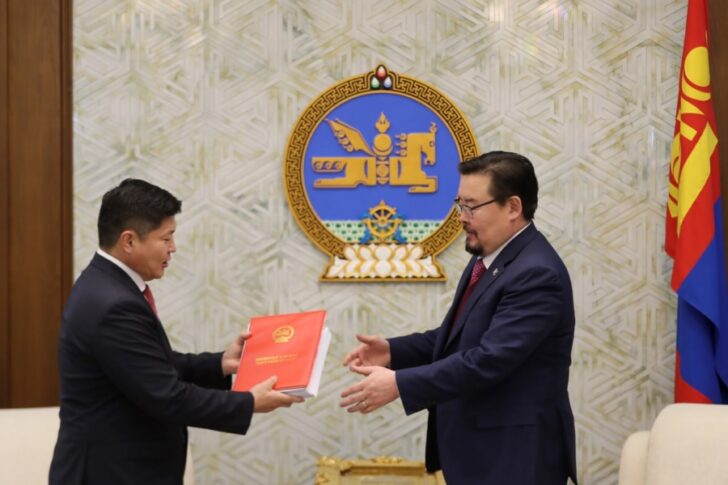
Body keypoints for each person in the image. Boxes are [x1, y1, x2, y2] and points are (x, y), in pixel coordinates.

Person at [340, 151, 578, 484]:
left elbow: (488, 360)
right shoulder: (490, 257)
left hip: (516, 458)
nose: (462, 217)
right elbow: (462, 337)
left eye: (472, 206)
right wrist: (394, 351)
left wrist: (399, 384)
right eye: (459, 204)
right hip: (482, 453)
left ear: (513, 207)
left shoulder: (536, 273)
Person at [49, 179, 302, 484]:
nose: (173, 248)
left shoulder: (105, 285)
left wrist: (221, 363)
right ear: (129, 241)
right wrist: (249, 402)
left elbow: (149, 365)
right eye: (165, 238)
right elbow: (168, 397)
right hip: (110, 473)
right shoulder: (112, 304)